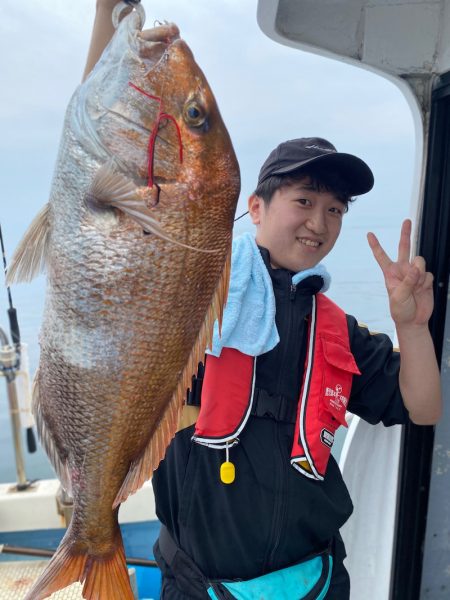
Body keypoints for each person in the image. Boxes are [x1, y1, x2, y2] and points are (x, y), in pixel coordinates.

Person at [86, 4, 442, 598]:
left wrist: (412, 326)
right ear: (255, 208)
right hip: (203, 583)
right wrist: (108, 16)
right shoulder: (193, 290)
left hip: (317, 580)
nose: (319, 222)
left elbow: (423, 407)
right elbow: (104, 160)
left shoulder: (335, 328)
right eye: (303, 201)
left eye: (335, 210)